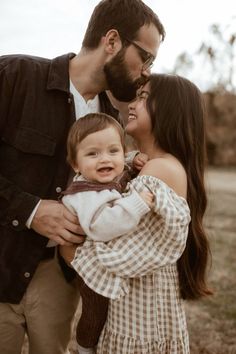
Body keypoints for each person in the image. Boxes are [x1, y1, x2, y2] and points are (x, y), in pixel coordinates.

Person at [0, 1, 165, 353]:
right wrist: (29, 209)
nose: (148, 71)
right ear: (112, 41)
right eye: (147, 58)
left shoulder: (114, 121)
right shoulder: (13, 75)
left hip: (60, 277)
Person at [60, 73, 212, 354]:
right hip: (137, 310)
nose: (132, 103)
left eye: (143, 97)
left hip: (141, 317)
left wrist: (68, 247)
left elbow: (114, 254)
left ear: (169, 110)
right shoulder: (149, 166)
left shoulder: (160, 170)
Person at [60, 112, 153, 354]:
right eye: (92, 154)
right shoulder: (85, 193)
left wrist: (134, 160)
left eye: (114, 151)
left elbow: (121, 168)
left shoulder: (106, 174)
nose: (105, 159)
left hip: (104, 256)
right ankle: (85, 346)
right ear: (75, 164)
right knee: (96, 309)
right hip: (88, 263)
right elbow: (101, 227)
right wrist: (136, 204)